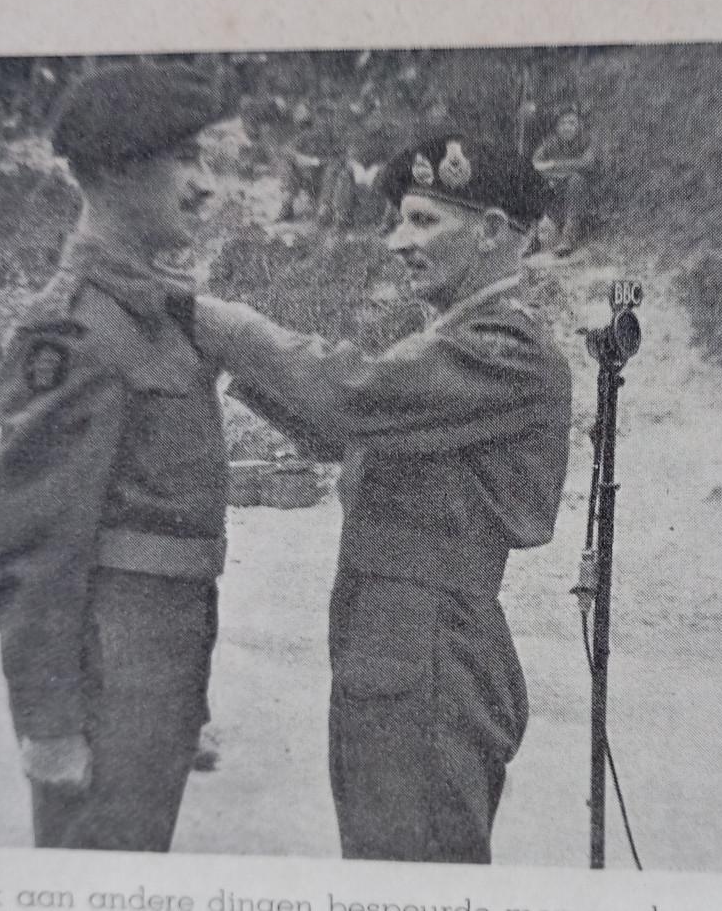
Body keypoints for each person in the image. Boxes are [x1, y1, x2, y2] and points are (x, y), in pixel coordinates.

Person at [171, 135, 574, 863]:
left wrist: (228, 328)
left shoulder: (506, 349)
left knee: (410, 869)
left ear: (490, 232)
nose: (399, 243)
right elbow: (353, 431)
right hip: (394, 635)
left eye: (425, 222)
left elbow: (354, 398)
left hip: (428, 642)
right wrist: (244, 371)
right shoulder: (454, 340)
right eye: (399, 223)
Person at [0, 62, 233, 851]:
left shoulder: (152, 313)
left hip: (155, 670)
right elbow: (33, 544)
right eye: (186, 159)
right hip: (105, 681)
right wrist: (50, 724)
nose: (207, 186)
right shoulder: (77, 330)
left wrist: (186, 697)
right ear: (118, 169)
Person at [532, 105, 598, 256]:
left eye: (572, 123)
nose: (567, 127)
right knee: (539, 187)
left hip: (585, 194)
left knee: (576, 180)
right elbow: (537, 162)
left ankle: (568, 238)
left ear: (579, 125)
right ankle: (534, 236)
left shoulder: (587, 140)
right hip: (558, 190)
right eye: (563, 123)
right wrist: (552, 176)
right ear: (556, 127)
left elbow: (587, 163)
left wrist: (555, 165)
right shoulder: (551, 143)